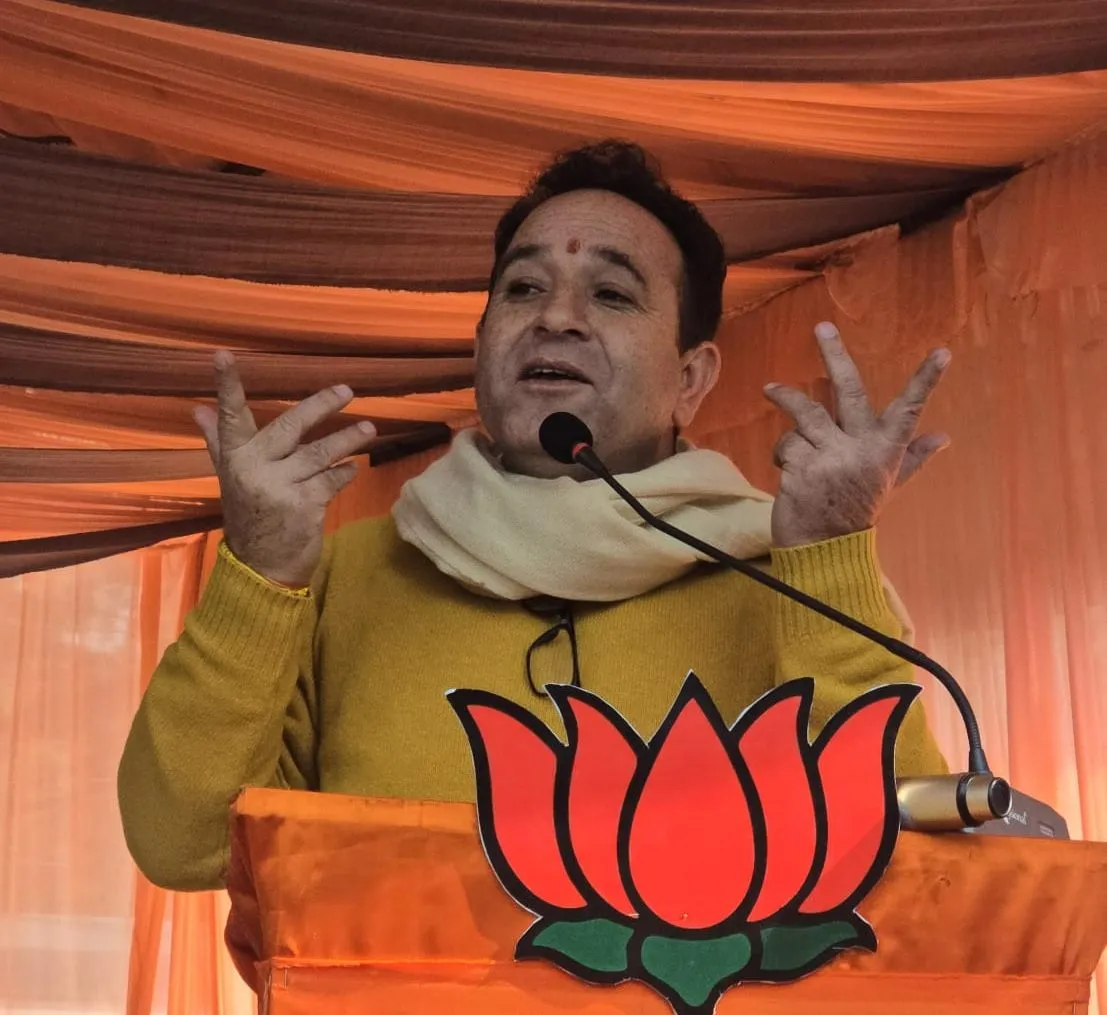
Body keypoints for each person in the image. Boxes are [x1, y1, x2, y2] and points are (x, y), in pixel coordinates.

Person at [118, 141, 950, 892]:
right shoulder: (347, 576)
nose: (554, 317)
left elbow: (905, 862)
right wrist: (258, 575)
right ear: (481, 342)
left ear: (690, 379)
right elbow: (182, 843)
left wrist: (831, 557)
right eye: (522, 288)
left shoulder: (780, 574)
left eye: (611, 294)